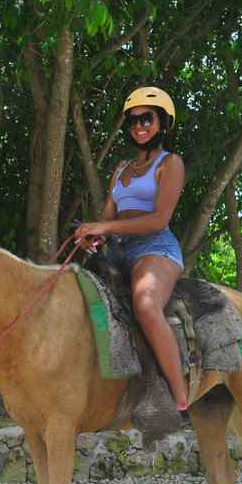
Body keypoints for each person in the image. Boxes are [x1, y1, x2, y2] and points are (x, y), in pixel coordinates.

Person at [75, 86, 188, 416]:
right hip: (118, 251)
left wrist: (105, 228)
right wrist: (93, 239)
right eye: (132, 120)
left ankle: (180, 403)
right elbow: (109, 219)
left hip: (155, 248)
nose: (138, 125)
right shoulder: (122, 168)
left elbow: (159, 219)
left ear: (163, 122)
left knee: (146, 304)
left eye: (146, 118)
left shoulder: (171, 163)